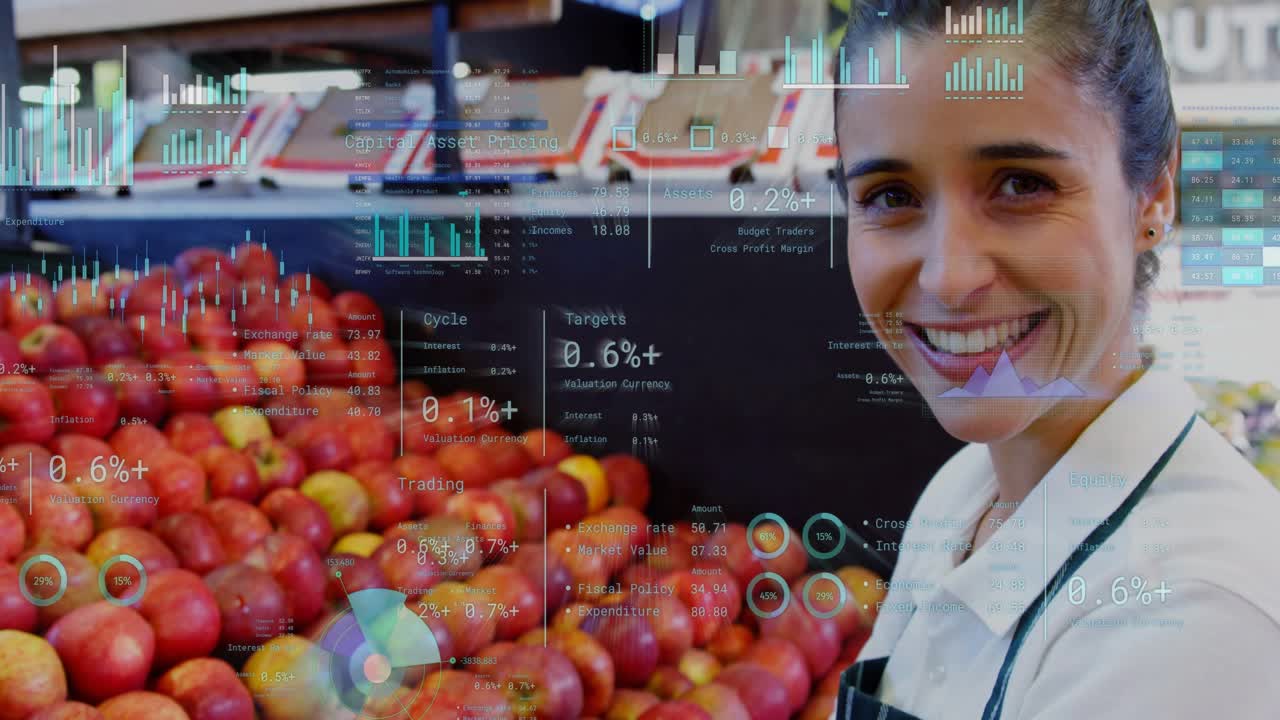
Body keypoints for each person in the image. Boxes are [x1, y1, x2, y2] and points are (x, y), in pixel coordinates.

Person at [831, 1, 1280, 718]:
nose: (948, 275)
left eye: (1021, 184)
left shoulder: (1196, 614)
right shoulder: (967, 492)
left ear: (1154, 192)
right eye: (891, 195)